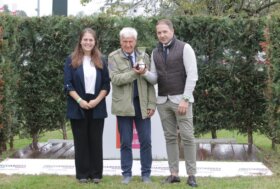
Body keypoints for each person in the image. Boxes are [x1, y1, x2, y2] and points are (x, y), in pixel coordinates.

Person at [144, 19, 198, 187]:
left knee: (188, 137)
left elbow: (192, 75)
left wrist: (186, 99)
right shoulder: (154, 52)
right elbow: (154, 78)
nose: (161, 35)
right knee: (170, 138)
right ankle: (174, 174)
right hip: (162, 101)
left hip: (181, 100)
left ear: (172, 31)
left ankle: (191, 175)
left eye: (164, 32)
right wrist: (144, 72)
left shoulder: (185, 48)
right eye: (159, 32)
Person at [108, 27, 156, 184]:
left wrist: (151, 104)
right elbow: (115, 79)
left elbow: (150, 83)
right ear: (120, 41)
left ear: (135, 42)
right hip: (123, 106)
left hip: (142, 105)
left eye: (130, 41)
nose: (128, 45)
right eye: (125, 41)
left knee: (146, 141)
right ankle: (126, 174)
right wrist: (135, 73)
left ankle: (146, 174)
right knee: (126, 142)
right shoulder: (113, 57)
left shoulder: (144, 56)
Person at [64, 28, 110, 184]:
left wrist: (97, 100)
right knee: (81, 141)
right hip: (78, 104)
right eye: (85, 39)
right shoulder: (70, 59)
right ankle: (82, 174)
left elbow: (106, 84)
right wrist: (79, 101)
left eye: (91, 40)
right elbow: (68, 84)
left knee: (95, 141)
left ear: (95, 42)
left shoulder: (102, 60)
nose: (88, 42)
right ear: (80, 41)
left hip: (97, 104)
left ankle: (96, 174)